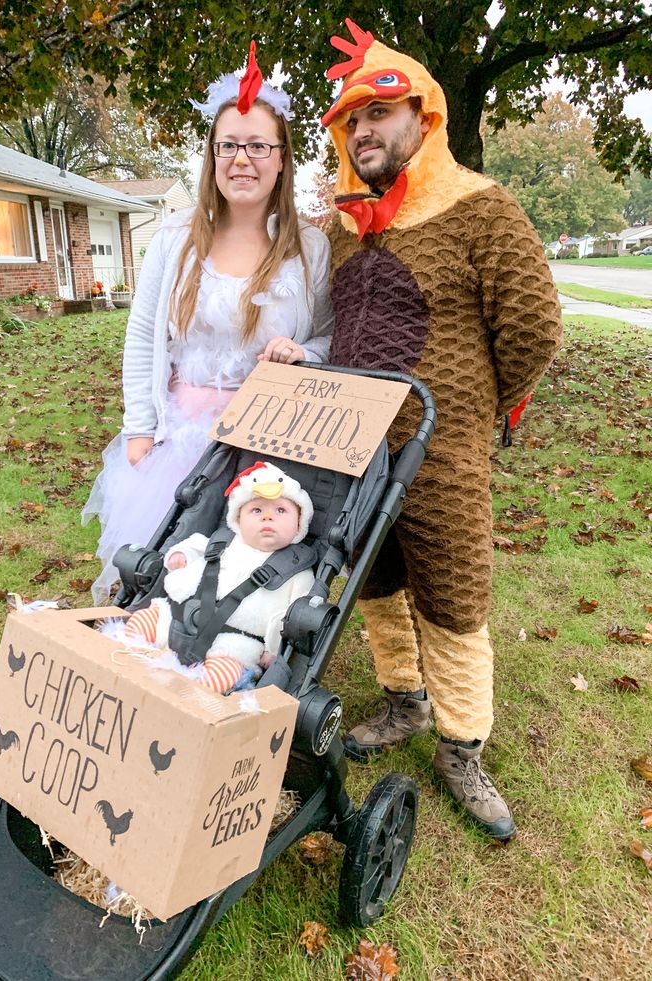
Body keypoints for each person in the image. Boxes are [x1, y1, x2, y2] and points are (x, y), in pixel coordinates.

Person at [321, 20, 563, 839]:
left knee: (454, 598)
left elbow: (531, 324)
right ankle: (404, 702)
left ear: (424, 118)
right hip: (354, 451)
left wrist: (480, 408)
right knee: (375, 584)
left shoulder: (480, 209)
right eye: (351, 119)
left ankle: (463, 744)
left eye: (378, 114)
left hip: (443, 452)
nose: (363, 132)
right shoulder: (343, 225)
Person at [83, 42, 333, 603]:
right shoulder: (175, 239)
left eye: (257, 145)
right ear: (212, 156)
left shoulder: (308, 249)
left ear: (282, 157)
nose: (241, 159)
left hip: (269, 442)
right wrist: (140, 431)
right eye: (228, 146)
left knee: (240, 579)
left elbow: (326, 336)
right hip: (180, 441)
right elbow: (143, 338)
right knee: (165, 573)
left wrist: (303, 355)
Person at [123, 461, 315, 693]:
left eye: (280, 510)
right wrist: (180, 555)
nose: (268, 518)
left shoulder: (298, 571)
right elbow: (194, 546)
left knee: (220, 676)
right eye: (256, 510)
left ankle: (183, 699)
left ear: (299, 524)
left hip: (234, 644)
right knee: (142, 622)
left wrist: (274, 650)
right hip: (177, 616)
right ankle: (131, 672)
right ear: (238, 520)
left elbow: (293, 617)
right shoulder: (223, 542)